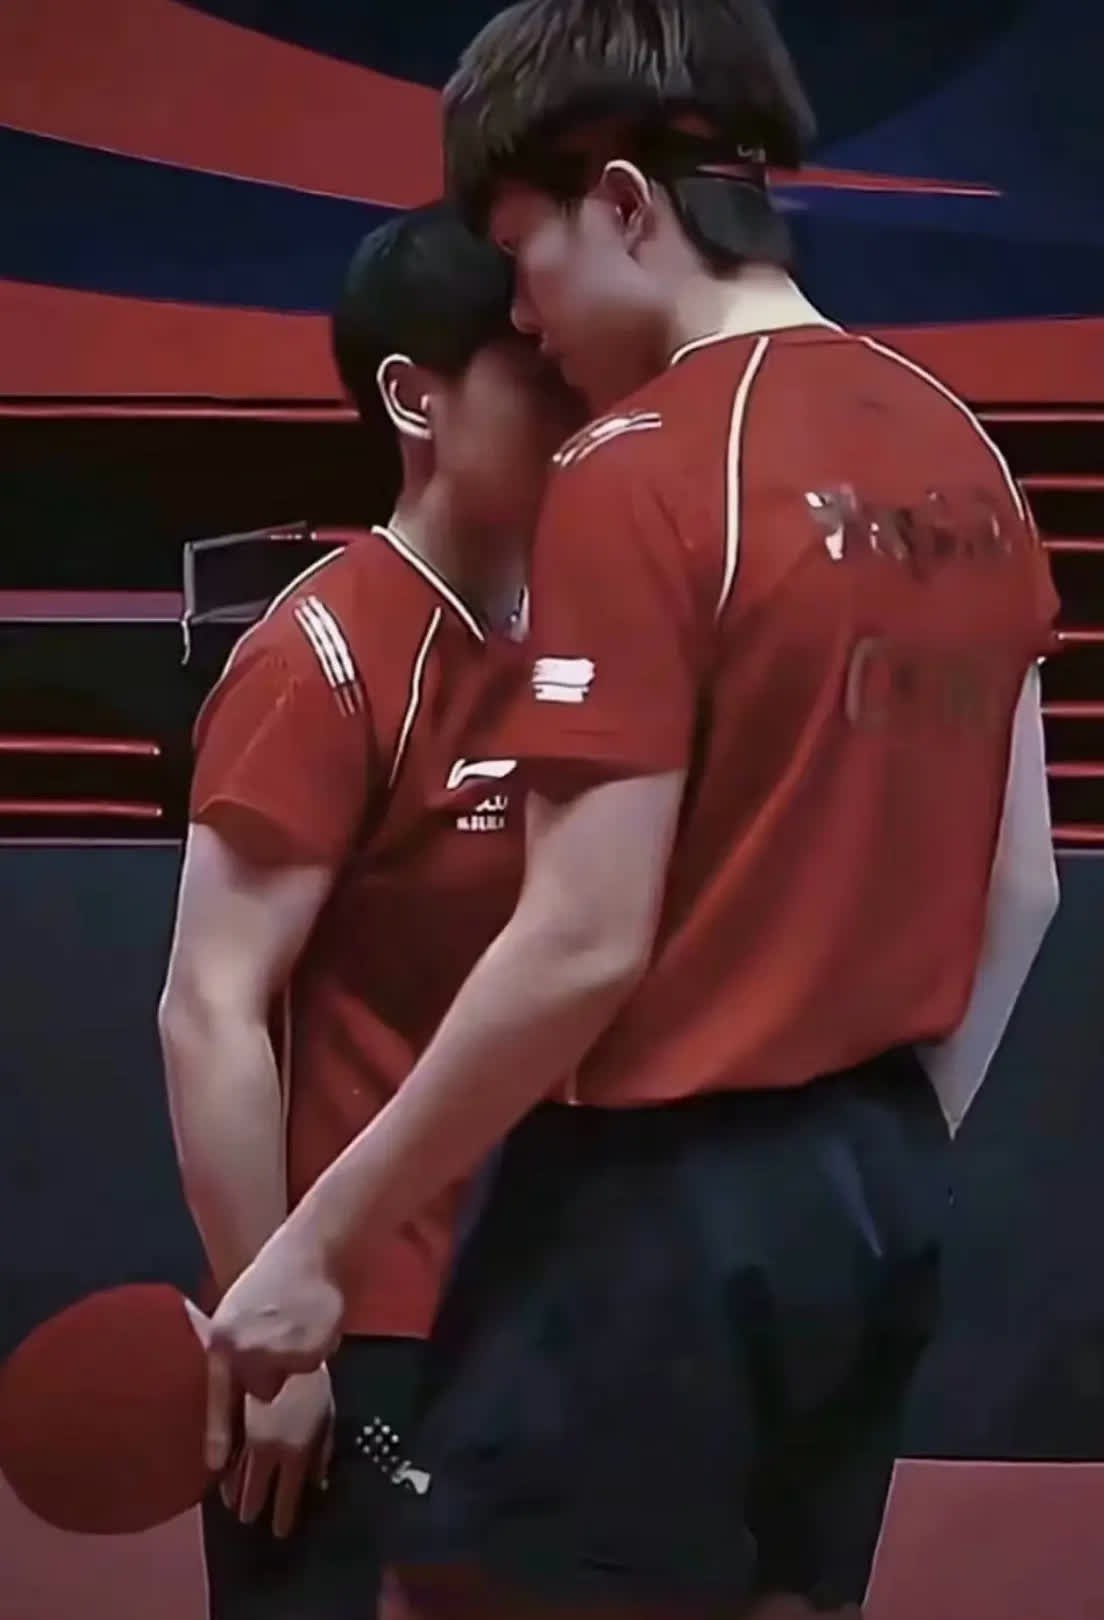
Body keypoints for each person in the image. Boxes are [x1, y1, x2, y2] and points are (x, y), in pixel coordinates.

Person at [203, 3, 1061, 1615]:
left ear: (619, 204)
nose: (524, 314)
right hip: (879, 1192)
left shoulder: (643, 462)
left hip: (656, 1221)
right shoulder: (972, 455)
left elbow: (581, 943)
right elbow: (1025, 894)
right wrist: (868, 1153)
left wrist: (313, 1247)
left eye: (521, 255)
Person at [158, 202, 578, 1620]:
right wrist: (272, 1329)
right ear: (415, 399)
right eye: (537, 377)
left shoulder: (587, 644)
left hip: (552, 1313)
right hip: (359, 1330)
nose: (581, 409)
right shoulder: (321, 657)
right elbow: (208, 1009)